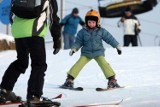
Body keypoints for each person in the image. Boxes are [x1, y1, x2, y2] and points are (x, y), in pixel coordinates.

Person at [0, 0, 61, 103]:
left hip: (18, 32)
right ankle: (34, 96)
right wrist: (57, 39)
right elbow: (53, 18)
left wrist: (18, 29)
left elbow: (11, 13)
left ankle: (4, 90)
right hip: (34, 32)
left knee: (21, 62)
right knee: (39, 64)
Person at [61, 9, 122, 89]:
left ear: (97, 22)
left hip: (98, 52)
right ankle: (69, 80)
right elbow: (78, 42)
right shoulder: (82, 32)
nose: (91, 24)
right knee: (78, 64)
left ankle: (112, 80)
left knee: (104, 64)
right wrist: (74, 49)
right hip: (86, 53)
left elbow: (109, 39)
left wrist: (117, 46)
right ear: (86, 22)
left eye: (93, 22)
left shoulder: (101, 31)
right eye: (89, 22)